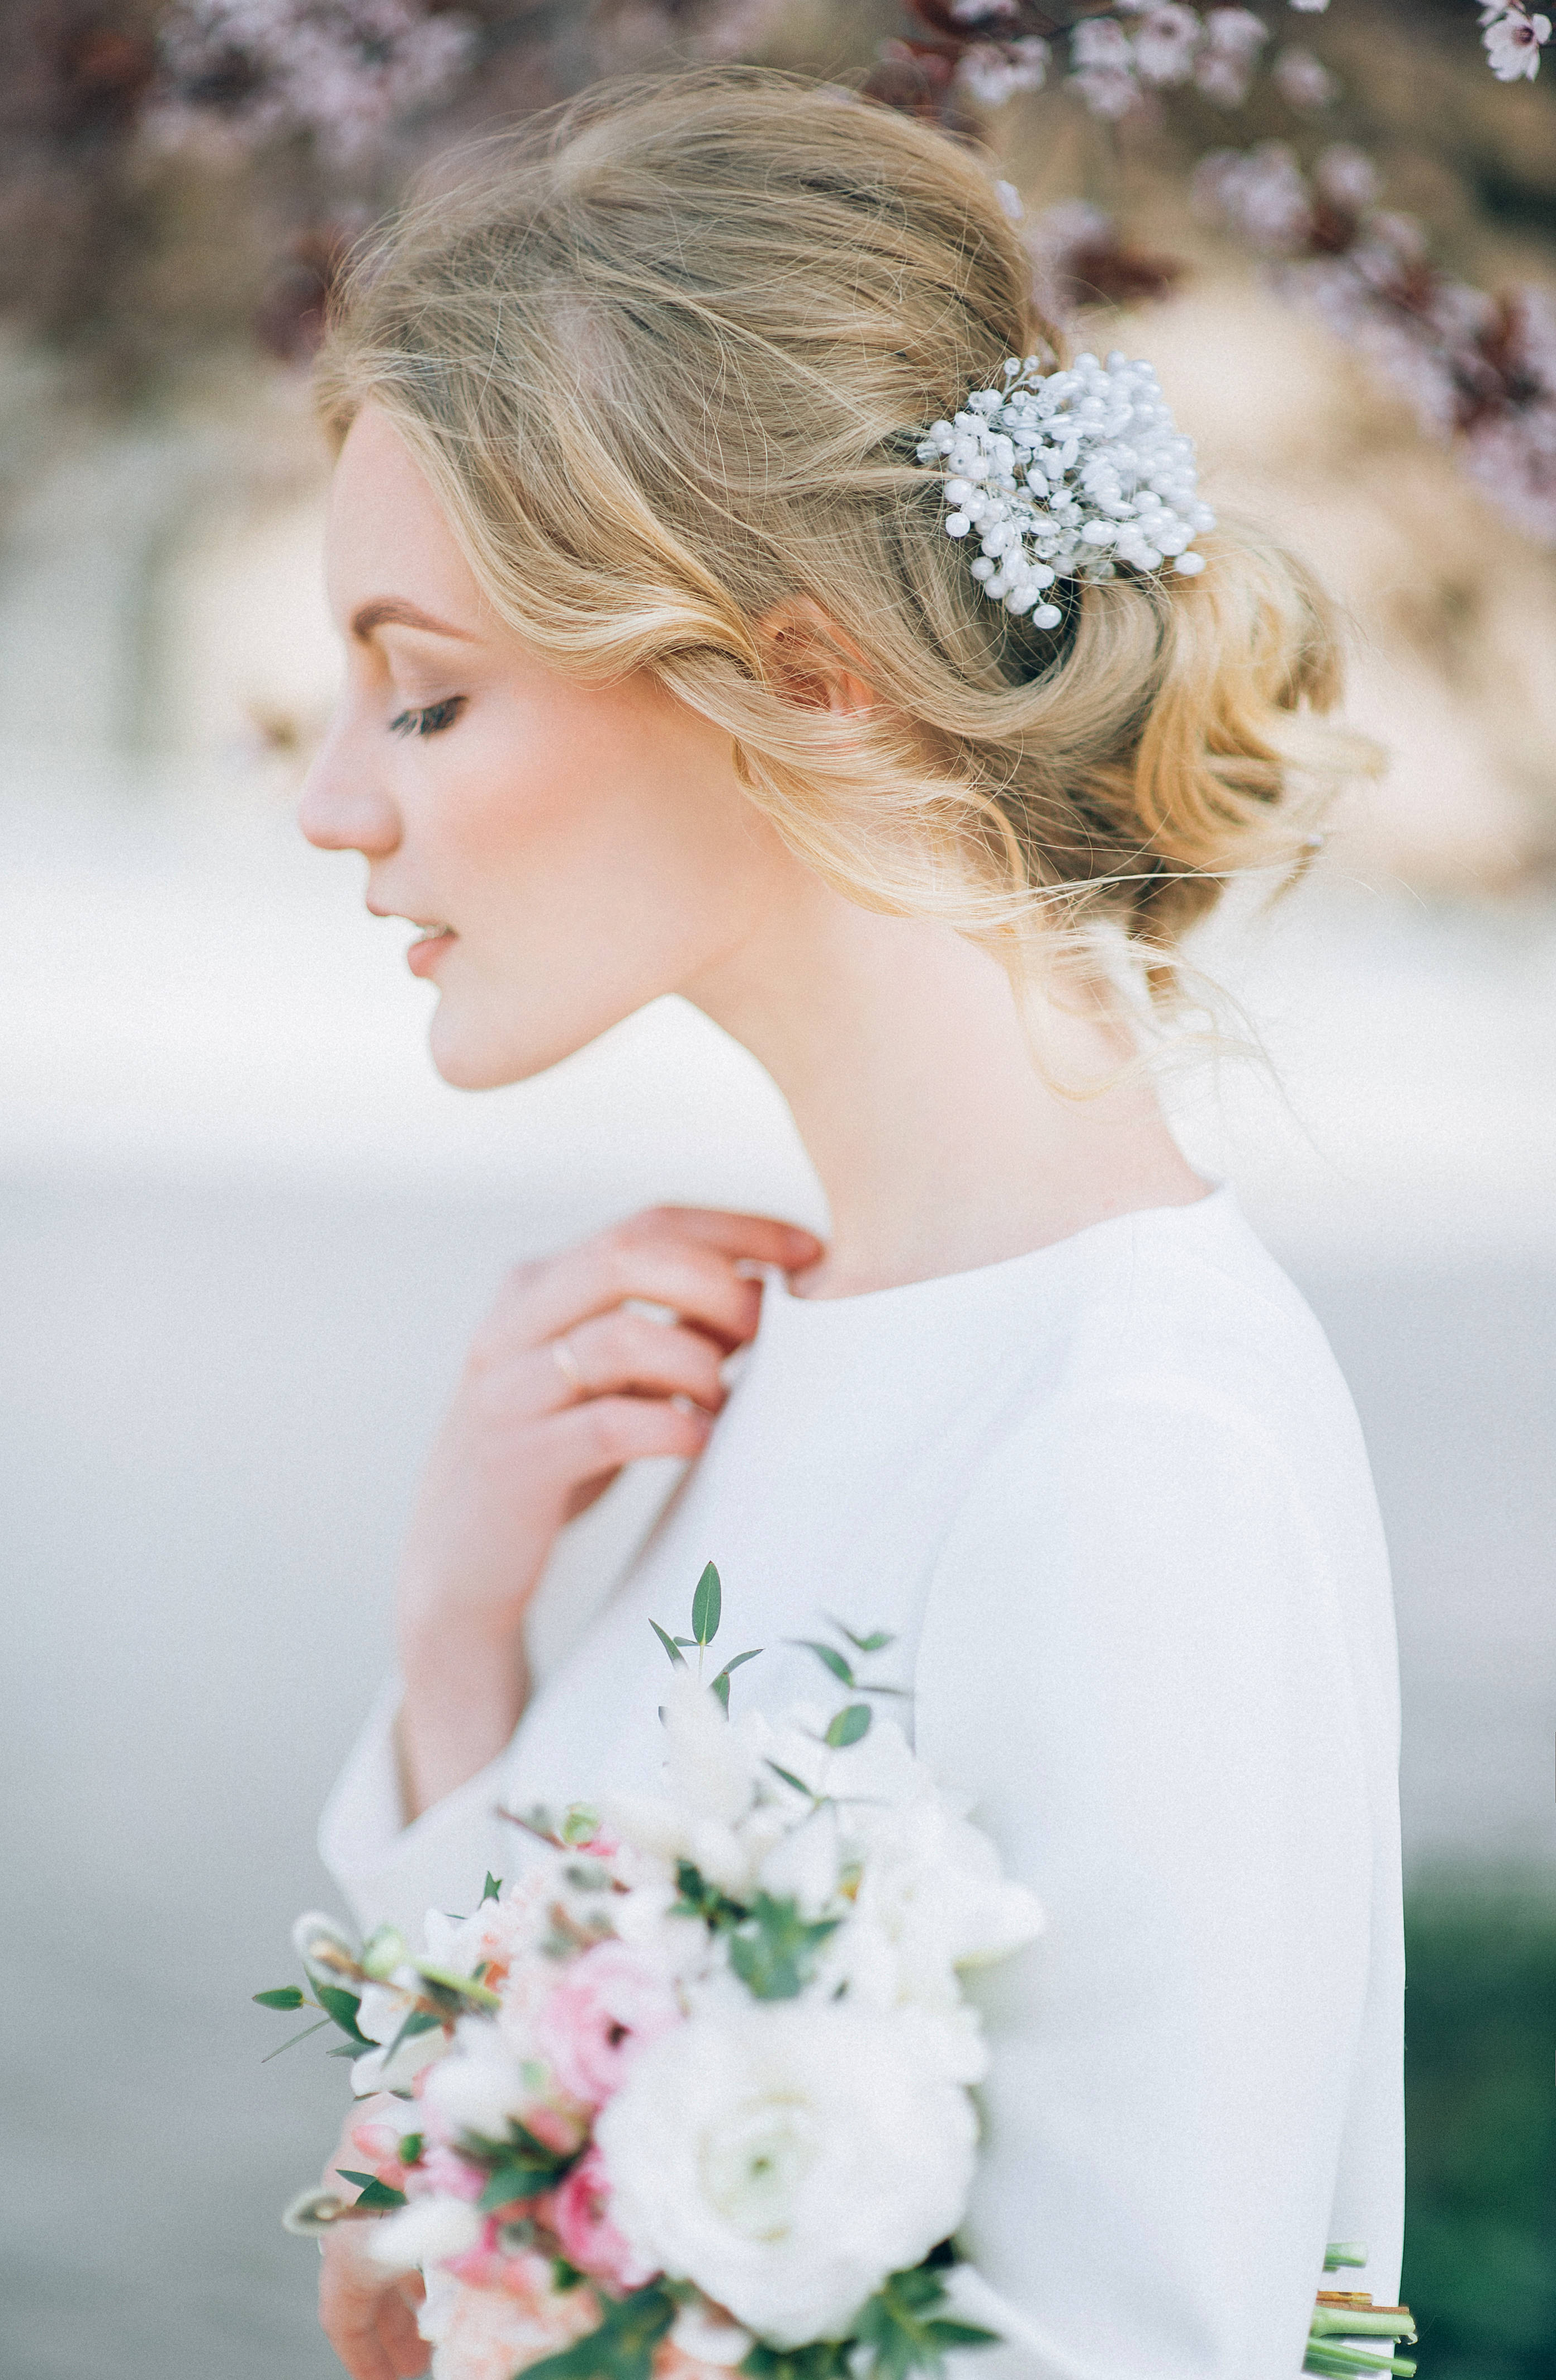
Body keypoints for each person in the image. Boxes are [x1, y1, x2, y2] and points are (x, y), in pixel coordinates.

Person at [297, 68, 1403, 2380]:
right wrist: (458, 1640)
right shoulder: (798, 1341)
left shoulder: (1134, 1446)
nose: (328, 802)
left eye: (421, 693)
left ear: (797, 667)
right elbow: (465, 2193)